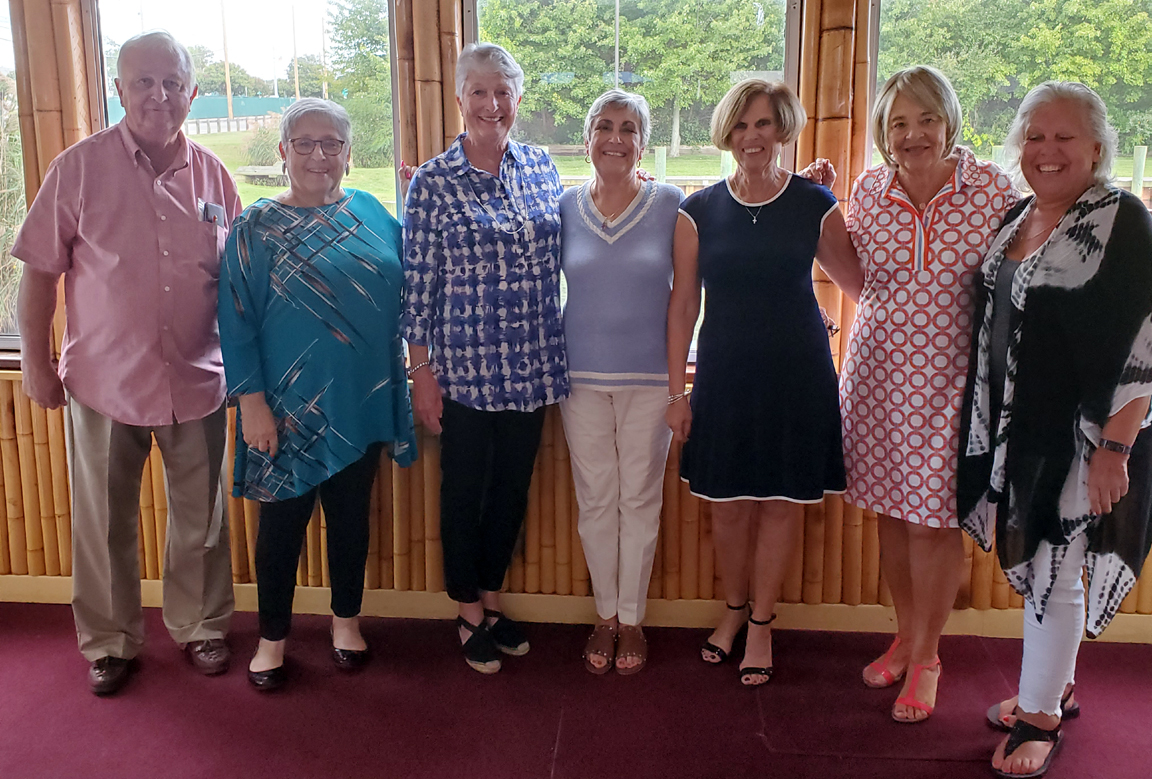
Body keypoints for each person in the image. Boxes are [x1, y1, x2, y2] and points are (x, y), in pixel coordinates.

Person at [13, 31, 240, 695]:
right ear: (118, 90)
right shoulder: (77, 168)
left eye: (172, 83)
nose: (158, 96)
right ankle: (110, 641)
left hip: (198, 379)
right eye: (143, 82)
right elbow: (39, 274)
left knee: (202, 521)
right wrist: (35, 361)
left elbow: (237, 283)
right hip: (102, 383)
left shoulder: (216, 177)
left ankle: (201, 625)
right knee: (103, 523)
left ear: (192, 93)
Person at [956, 82, 1152, 778]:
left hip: (1083, 435)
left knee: (1055, 568)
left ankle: (1040, 718)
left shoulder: (1123, 219)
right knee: (1047, 564)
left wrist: (1115, 447)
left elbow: (1144, 340)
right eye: (1035, 136)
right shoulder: (1019, 216)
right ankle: (1054, 684)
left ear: (1097, 147)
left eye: (1064, 136)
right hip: (1023, 429)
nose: (1047, 150)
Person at [666, 79, 862, 687]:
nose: (752, 136)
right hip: (723, 375)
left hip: (798, 374)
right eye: (741, 125)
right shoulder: (697, 210)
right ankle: (732, 609)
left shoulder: (814, 202)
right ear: (727, 134)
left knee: (780, 504)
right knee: (726, 507)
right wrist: (676, 393)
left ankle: (761, 623)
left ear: (782, 129)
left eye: (763, 124)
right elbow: (682, 306)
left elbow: (860, 286)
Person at [218, 98, 417, 691]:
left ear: (349, 154)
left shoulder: (374, 212)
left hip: (360, 398)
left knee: (351, 520)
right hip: (283, 410)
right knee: (281, 528)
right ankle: (272, 639)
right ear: (283, 152)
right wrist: (251, 404)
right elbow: (235, 319)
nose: (318, 155)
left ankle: (346, 623)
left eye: (332, 143)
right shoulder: (255, 226)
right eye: (304, 143)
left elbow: (416, 280)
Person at [838, 66, 1018, 722]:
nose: (913, 134)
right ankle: (905, 636)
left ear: (949, 122)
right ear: (883, 132)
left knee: (932, 523)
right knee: (891, 515)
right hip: (878, 378)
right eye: (899, 123)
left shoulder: (992, 189)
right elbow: (858, 278)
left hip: (954, 385)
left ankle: (928, 657)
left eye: (927, 119)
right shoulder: (868, 188)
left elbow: (1018, 285)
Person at [402, 42, 568, 674]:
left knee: (511, 491)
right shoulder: (433, 182)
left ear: (517, 99)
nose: (491, 103)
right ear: (459, 98)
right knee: (464, 491)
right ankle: (467, 609)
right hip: (464, 372)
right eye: (479, 91)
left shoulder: (542, 167)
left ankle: (493, 599)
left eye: (502, 91)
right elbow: (418, 286)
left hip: (533, 367)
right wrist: (421, 371)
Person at [559, 89, 682, 675]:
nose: (615, 137)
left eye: (628, 128)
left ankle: (632, 619)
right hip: (579, 377)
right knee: (596, 500)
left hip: (651, 381)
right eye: (604, 126)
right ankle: (604, 616)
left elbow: (691, 291)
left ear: (643, 142)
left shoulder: (672, 203)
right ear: (587, 139)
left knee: (639, 499)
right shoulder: (563, 206)